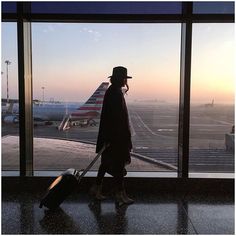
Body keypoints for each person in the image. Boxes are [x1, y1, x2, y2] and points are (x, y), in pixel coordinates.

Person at [91, 66, 134, 206]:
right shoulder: (115, 93)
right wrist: (121, 137)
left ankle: (96, 189)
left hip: (110, 136)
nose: (125, 81)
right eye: (124, 78)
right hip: (116, 137)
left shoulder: (112, 91)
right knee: (119, 166)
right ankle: (120, 194)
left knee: (105, 164)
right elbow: (117, 118)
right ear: (119, 79)